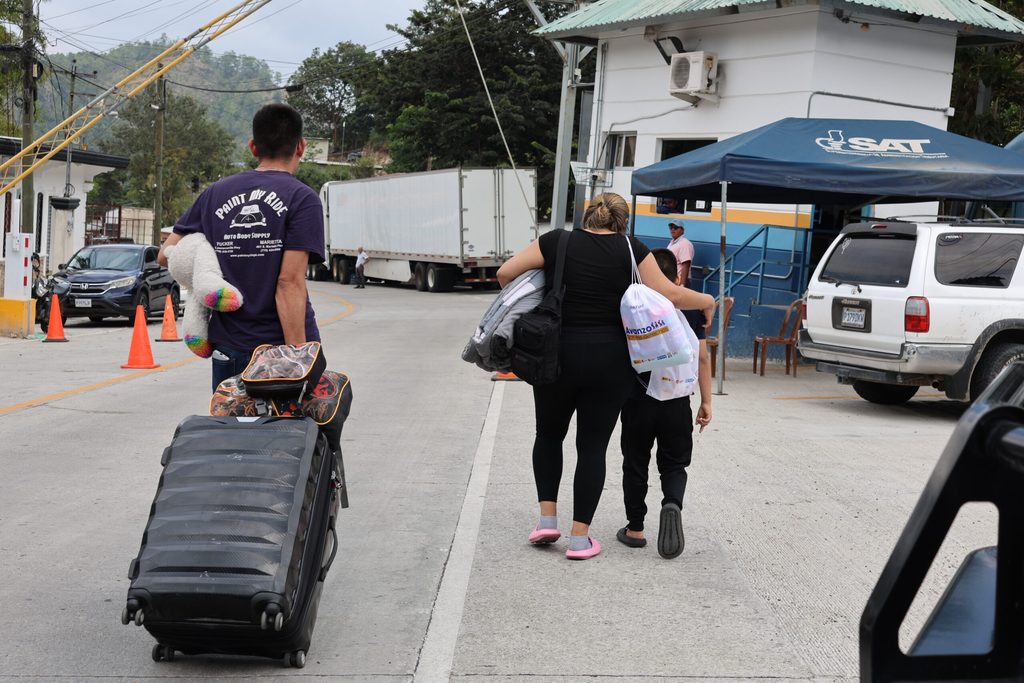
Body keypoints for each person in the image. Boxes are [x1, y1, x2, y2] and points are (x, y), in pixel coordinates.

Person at [496, 193, 715, 561]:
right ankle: (580, 540)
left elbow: (505, 273)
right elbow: (671, 294)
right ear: (622, 222)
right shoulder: (631, 248)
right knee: (592, 447)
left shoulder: (557, 241)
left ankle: (547, 520)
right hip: (610, 362)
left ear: (586, 216)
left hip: (555, 356)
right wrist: (707, 302)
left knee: (548, 434)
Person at [159, 103, 326, 391]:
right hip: (280, 348)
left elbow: (166, 254)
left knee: (231, 432)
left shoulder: (215, 194)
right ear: (301, 146)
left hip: (231, 347)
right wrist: (299, 359)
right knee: (286, 435)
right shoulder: (301, 198)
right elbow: (289, 283)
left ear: (252, 147)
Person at [617, 247, 712, 560]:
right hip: (677, 401)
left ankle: (635, 529)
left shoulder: (633, 305)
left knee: (635, 461)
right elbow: (701, 356)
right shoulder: (691, 306)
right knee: (674, 462)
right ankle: (672, 502)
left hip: (639, 396)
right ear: (678, 276)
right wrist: (707, 401)